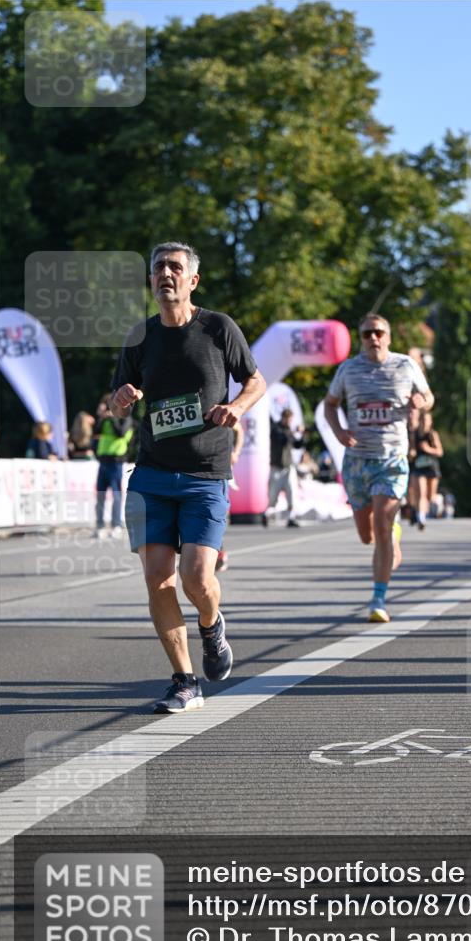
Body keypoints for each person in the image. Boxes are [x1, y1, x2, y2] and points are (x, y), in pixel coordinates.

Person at [109, 241, 266, 713]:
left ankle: (212, 625)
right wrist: (120, 401)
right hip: (152, 474)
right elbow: (115, 406)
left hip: (205, 475)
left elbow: (255, 381)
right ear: (151, 280)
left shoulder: (218, 328)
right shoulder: (140, 338)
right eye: (159, 268)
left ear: (192, 280)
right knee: (158, 579)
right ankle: (184, 681)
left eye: (175, 267)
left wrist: (236, 407)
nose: (166, 274)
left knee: (197, 577)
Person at [323, 313, 434, 622]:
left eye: (378, 332)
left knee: (382, 525)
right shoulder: (349, 369)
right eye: (367, 333)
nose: (373, 338)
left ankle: (379, 599)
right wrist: (340, 432)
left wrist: (419, 402)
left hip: (392, 458)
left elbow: (428, 396)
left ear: (388, 337)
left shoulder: (405, 366)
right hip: (358, 461)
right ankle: (392, 535)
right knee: (367, 535)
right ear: (361, 339)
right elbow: (329, 404)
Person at [93, 394, 135, 539]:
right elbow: (95, 432)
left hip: (116, 461)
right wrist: (101, 418)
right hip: (103, 460)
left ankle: (116, 524)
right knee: (100, 494)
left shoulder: (126, 419)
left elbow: (120, 433)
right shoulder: (105, 420)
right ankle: (99, 525)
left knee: (116, 494)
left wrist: (111, 418)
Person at [263, 408, 306, 528]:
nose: (289, 422)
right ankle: (267, 515)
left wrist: (301, 434)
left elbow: (298, 445)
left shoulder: (288, 430)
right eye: (288, 419)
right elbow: (283, 439)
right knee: (273, 495)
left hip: (288, 467)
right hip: (276, 467)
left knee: (292, 492)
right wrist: (294, 432)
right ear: (283, 418)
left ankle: (291, 517)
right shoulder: (276, 429)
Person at [215, 422, 244, 573]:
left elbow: (239, 430)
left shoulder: (218, 407)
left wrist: (236, 453)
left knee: (217, 514)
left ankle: (219, 553)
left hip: (219, 471)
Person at [408, 411, 443, 530]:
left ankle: (438, 500)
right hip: (418, 467)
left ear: (430, 422)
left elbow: (440, 452)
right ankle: (421, 518)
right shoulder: (414, 434)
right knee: (420, 493)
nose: (424, 423)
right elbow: (411, 450)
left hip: (431, 467)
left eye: (427, 420)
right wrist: (411, 453)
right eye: (422, 420)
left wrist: (428, 449)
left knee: (430, 496)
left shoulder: (432, 434)